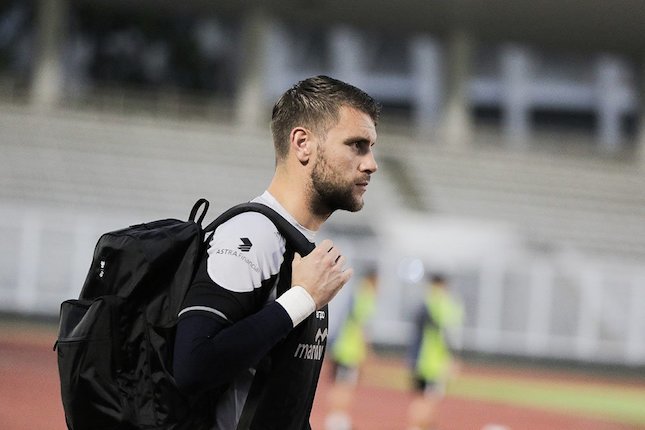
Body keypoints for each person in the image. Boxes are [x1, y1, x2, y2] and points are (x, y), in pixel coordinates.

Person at [173, 75, 380, 430]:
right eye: (357, 145)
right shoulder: (253, 233)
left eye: (371, 147)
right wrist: (301, 299)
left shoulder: (296, 244)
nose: (371, 163)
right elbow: (193, 365)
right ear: (302, 144)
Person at [407, 273, 464, 430]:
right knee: (430, 399)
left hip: (419, 358)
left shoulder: (424, 302)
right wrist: (453, 358)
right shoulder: (443, 304)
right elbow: (446, 334)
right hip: (434, 362)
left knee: (420, 397)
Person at [324, 267, 379, 430]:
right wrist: (368, 351)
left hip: (341, 347)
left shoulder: (356, 292)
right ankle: (337, 420)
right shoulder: (366, 295)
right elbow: (363, 327)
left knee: (338, 384)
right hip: (349, 351)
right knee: (344, 385)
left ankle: (335, 419)